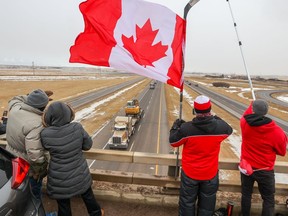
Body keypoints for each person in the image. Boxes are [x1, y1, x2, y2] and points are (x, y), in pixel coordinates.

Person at [169, 95, 233, 216]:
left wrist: (175, 127)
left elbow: (173, 142)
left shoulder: (186, 128)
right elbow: (229, 129)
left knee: (187, 203)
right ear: (210, 109)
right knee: (207, 206)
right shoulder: (220, 128)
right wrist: (214, 117)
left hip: (190, 173)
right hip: (210, 173)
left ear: (195, 110)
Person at [41, 101, 104, 216]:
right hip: (79, 172)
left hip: (58, 175)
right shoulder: (77, 127)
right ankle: (97, 213)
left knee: (63, 205)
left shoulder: (45, 134)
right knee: (88, 196)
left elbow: (46, 148)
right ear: (68, 113)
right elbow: (88, 145)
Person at [239, 99, 287, 216]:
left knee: (246, 195)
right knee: (268, 199)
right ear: (266, 112)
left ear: (253, 110)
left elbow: (245, 115)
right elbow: (282, 152)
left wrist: (251, 104)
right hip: (265, 170)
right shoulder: (276, 131)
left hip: (247, 168)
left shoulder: (244, 123)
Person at [5, 89, 52, 199]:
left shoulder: (16, 108)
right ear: (44, 106)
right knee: (33, 192)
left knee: (16, 190)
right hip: (26, 166)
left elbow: (15, 98)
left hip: (10, 158)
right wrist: (40, 171)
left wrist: (32, 97)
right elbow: (35, 155)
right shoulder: (37, 123)